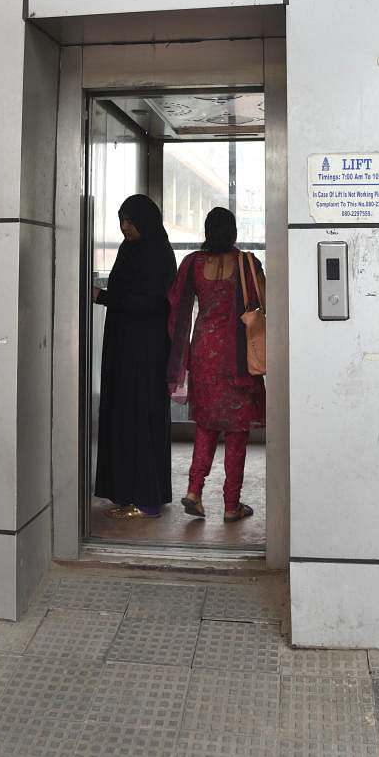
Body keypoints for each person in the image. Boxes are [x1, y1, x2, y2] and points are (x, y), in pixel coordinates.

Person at [167, 207, 265, 522]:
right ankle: (231, 505)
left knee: (207, 425)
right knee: (237, 431)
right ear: (233, 231)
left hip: (204, 351)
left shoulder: (193, 263)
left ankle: (194, 491)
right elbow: (266, 299)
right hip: (237, 354)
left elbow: (175, 304)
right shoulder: (245, 263)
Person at [93, 194, 177, 518]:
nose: (124, 227)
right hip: (124, 346)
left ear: (145, 220)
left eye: (129, 221)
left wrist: (104, 298)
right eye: (122, 220)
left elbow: (153, 303)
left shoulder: (159, 254)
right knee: (124, 416)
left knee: (142, 417)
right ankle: (125, 491)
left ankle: (146, 498)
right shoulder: (129, 249)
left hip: (147, 350)